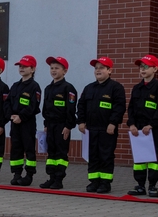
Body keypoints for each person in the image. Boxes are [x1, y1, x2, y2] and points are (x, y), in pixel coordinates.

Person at [77, 57, 126, 193]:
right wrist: (81, 121)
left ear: (109, 71)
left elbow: (119, 107)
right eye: (96, 68)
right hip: (91, 129)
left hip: (107, 129)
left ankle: (105, 183)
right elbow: (81, 106)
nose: (98, 70)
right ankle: (94, 182)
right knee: (93, 156)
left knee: (106, 156)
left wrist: (113, 123)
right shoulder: (89, 88)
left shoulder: (116, 88)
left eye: (102, 68)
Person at [126, 54, 158, 197]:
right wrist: (131, 124)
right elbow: (131, 108)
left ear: (155, 69)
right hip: (137, 130)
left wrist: (151, 124)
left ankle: (152, 186)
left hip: (151, 129)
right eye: (141, 67)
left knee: (152, 159)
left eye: (146, 66)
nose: (143, 69)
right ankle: (140, 185)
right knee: (139, 159)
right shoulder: (137, 88)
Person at [41, 56, 77, 190]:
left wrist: (68, 126)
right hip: (50, 125)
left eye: (57, 68)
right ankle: (51, 177)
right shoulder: (48, 88)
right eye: (51, 68)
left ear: (65, 71)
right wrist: (46, 124)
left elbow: (71, 109)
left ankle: (59, 179)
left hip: (62, 125)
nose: (53, 70)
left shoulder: (68, 88)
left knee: (61, 153)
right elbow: (45, 108)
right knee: (51, 152)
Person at [7, 55, 41, 186]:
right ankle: (16, 173)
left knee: (29, 148)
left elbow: (33, 106)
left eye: (25, 66)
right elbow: (8, 102)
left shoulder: (34, 87)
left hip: (27, 123)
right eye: (20, 66)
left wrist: (21, 116)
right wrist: (10, 115)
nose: (21, 68)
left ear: (32, 69)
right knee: (16, 148)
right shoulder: (15, 86)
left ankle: (29, 175)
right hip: (14, 122)